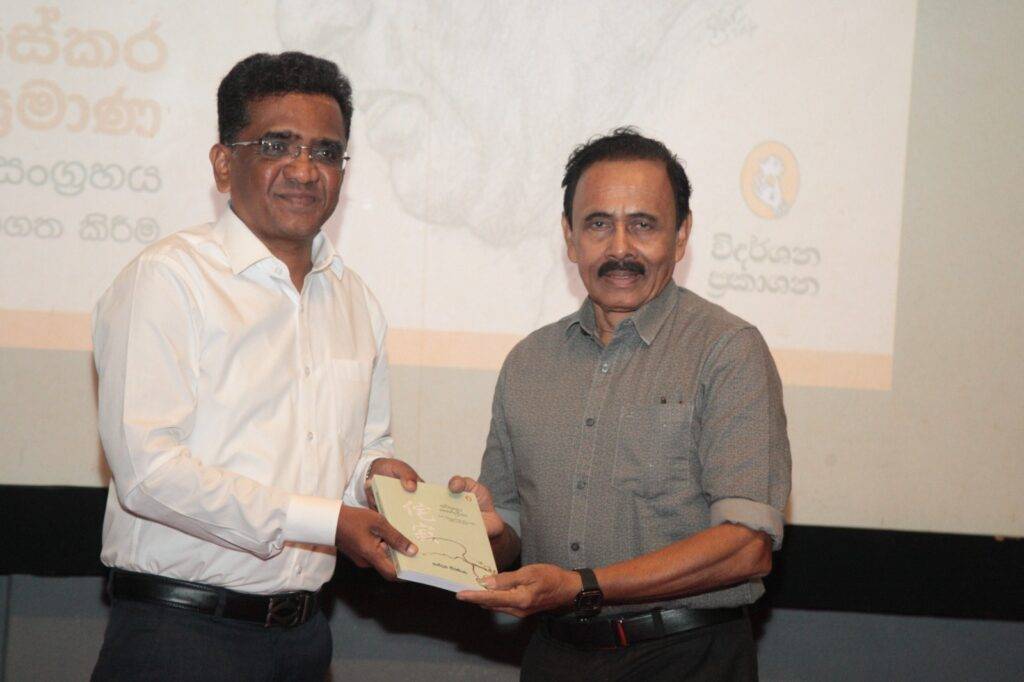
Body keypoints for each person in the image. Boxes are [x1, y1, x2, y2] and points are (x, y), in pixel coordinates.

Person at [91, 52, 420, 681]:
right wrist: (327, 521)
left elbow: (354, 450)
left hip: (304, 638)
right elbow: (149, 474)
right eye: (278, 145)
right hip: (179, 636)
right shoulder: (168, 280)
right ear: (223, 163)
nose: (305, 169)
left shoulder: (356, 300)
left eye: (327, 152)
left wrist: (375, 478)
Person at [452, 127, 791, 680]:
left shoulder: (727, 351)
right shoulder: (527, 363)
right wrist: (488, 532)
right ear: (570, 238)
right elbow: (510, 531)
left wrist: (583, 586)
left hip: (687, 660)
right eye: (598, 224)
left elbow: (746, 548)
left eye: (643, 224)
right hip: (554, 657)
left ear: (681, 236)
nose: (619, 249)